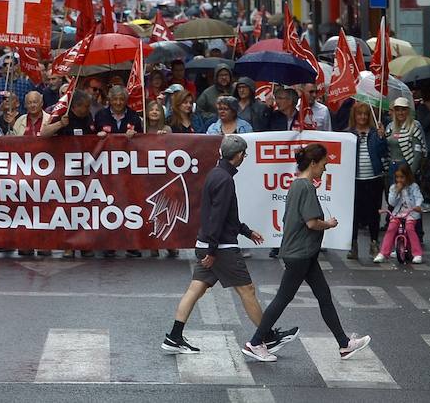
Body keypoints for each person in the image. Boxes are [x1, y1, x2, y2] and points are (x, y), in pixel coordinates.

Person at [165, 135, 298, 355]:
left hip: (207, 242)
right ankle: (266, 337)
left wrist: (245, 231)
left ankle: (174, 336)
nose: (245, 157)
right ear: (238, 156)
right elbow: (217, 217)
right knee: (247, 290)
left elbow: (222, 216)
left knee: (195, 289)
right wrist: (213, 249)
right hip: (221, 248)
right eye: (244, 154)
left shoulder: (216, 175)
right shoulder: (225, 180)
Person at [244, 143, 370, 363]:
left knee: (324, 296)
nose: (325, 169)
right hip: (300, 253)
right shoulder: (307, 187)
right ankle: (255, 342)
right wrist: (329, 224)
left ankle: (344, 344)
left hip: (303, 252)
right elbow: (312, 223)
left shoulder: (296, 185)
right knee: (283, 298)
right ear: (313, 163)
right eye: (323, 165)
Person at [347, 101, 388, 261]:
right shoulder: (349, 134)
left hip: (374, 178)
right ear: (354, 116)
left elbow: (382, 152)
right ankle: (353, 245)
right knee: (355, 214)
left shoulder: (374, 132)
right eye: (359, 114)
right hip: (355, 179)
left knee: (374, 213)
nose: (362, 117)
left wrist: (381, 137)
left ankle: (373, 242)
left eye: (365, 114)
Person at [374, 163, 424, 264]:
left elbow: (419, 197)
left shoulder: (413, 187)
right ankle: (383, 253)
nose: (399, 180)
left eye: (402, 177)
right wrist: (397, 191)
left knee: (410, 229)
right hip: (398, 213)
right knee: (391, 228)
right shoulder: (393, 188)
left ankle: (417, 253)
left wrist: (418, 206)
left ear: (408, 176)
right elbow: (391, 202)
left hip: (411, 213)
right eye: (397, 177)